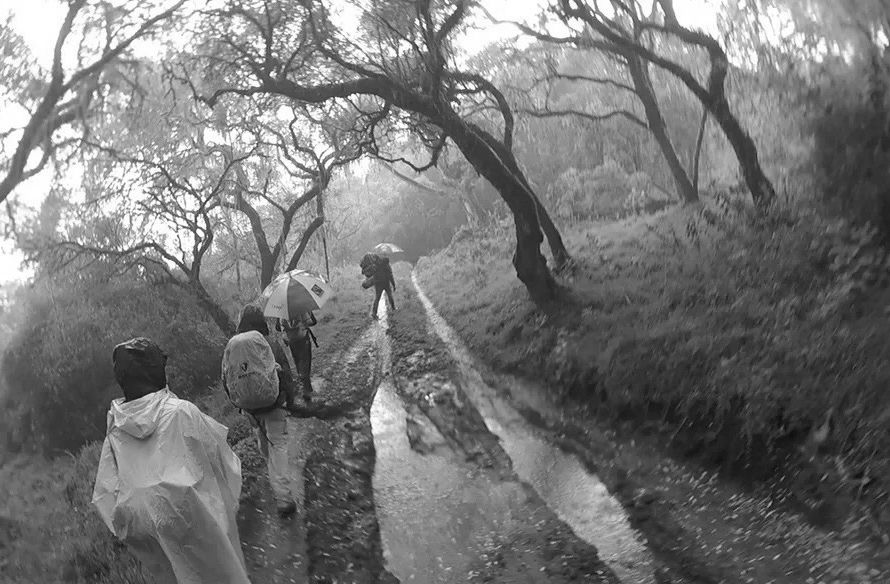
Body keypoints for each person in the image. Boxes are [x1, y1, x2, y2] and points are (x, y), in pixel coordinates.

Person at [92, 337, 250, 584]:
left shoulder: (115, 430)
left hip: (146, 527)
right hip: (193, 517)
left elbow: (106, 493)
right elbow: (220, 460)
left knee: (177, 574)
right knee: (220, 573)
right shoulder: (180, 411)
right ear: (155, 371)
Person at [224, 304, 298, 517]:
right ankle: (284, 498)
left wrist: (239, 404)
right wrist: (290, 400)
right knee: (279, 445)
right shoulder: (269, 343)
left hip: (250, 409)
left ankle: (273, 474)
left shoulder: (233, 346)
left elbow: (226, 378)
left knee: (263, 440)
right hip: (274, 404)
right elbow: (285, 373)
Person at [277, 312, 317, 400]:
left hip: (292, 341)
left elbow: (278, 328)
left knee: (298, 363)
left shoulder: (281, 311)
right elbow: (313, 322)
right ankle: (306, 390)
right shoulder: (301, 307)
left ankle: (305, 386)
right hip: (303, 339)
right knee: (305, 363)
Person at [360, 253, 396, 319]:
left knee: (377, 298)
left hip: (378, 283)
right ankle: (393, 308)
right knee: (390, 295)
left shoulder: (377, 264)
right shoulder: (387, 266)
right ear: (387, 261)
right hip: (386, 283)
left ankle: (374, 313)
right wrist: (393, 285)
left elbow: (373, 273)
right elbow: (391, 276)